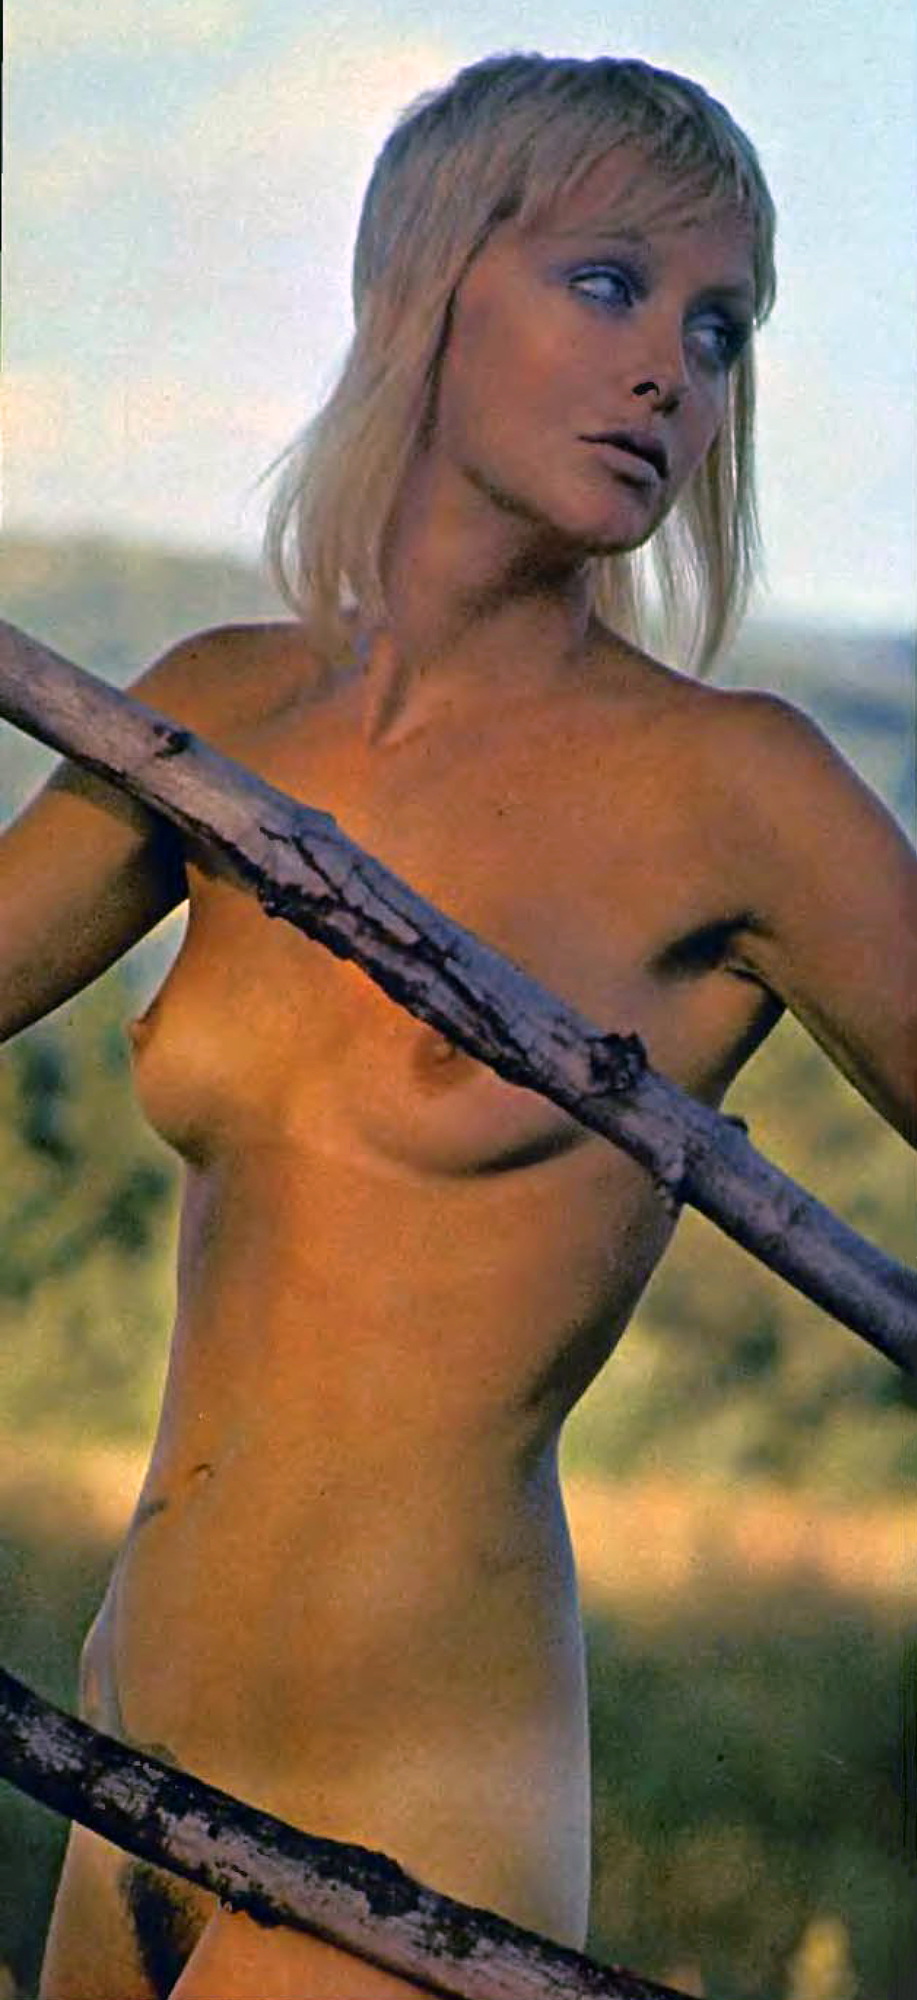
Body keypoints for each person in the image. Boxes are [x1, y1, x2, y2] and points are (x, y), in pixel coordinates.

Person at [4, 49, 912, 2000]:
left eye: (720, 327)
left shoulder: (734, 792)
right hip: (118, 1767)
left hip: (412, 1822)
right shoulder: (211, 720)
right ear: (419, 286)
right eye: (609, 284)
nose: (673, 370)